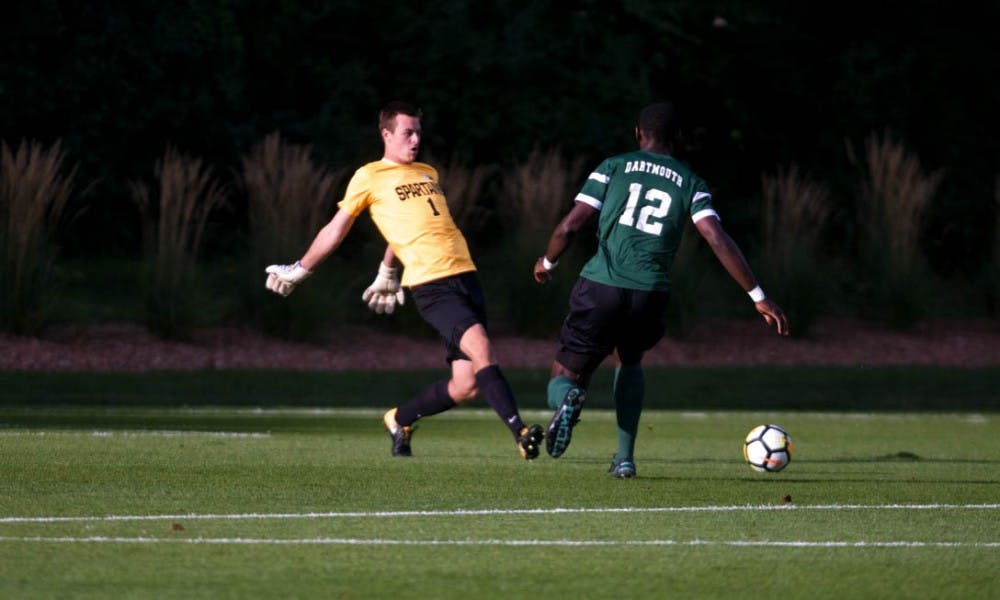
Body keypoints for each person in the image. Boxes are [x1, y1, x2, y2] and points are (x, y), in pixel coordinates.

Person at [265, 100, 543, 460]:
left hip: (466, 277)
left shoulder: (428, 172)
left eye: (418, 133)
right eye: (407, 133)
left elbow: (406, 228)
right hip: (433, 285)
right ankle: (520, 432)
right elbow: (335, 231)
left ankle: (400, 419)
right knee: (483, 348)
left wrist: (387, 270)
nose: (415, 140)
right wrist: (300, 269)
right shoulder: (369, 176)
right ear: (386, 134)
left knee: (465, 385)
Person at [532, 102, 789, 478]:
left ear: (638, 133)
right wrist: (758, 296)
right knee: (630, 361)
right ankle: (624, 459)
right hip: (649, 294)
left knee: (563, 374)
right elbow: (716, 238)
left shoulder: (613, 166)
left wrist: (548, 262)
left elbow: (570, 226)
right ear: (676, 139)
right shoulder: (689, 181)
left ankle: (567, 399)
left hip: (601, 285)